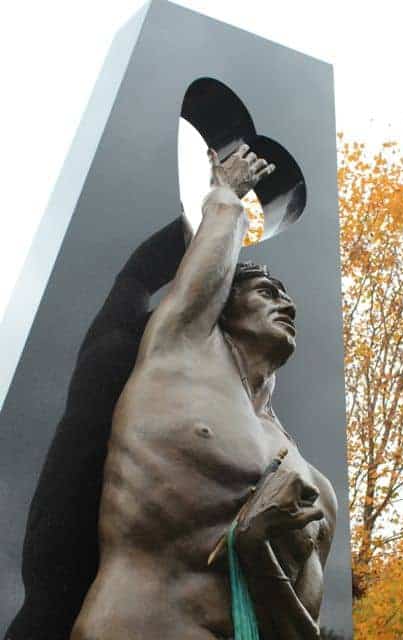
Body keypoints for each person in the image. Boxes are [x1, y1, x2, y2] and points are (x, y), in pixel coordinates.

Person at [70, 144, 337, 640]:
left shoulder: (313, 484)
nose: (287, 305)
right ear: (224, 309)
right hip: (141, 624)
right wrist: (226, 198)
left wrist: (257, 547)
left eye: (288, 299)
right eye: (267, 293)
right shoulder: (181, 357)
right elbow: (158, 287)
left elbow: (302, 630)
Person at [5, 215, 187, 640]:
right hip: (76, 550)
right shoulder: (118, 348)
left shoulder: (113, 342)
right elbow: (141, 277)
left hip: (62, 550)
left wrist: (215, 205)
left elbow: (139, 273)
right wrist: (220, 206)